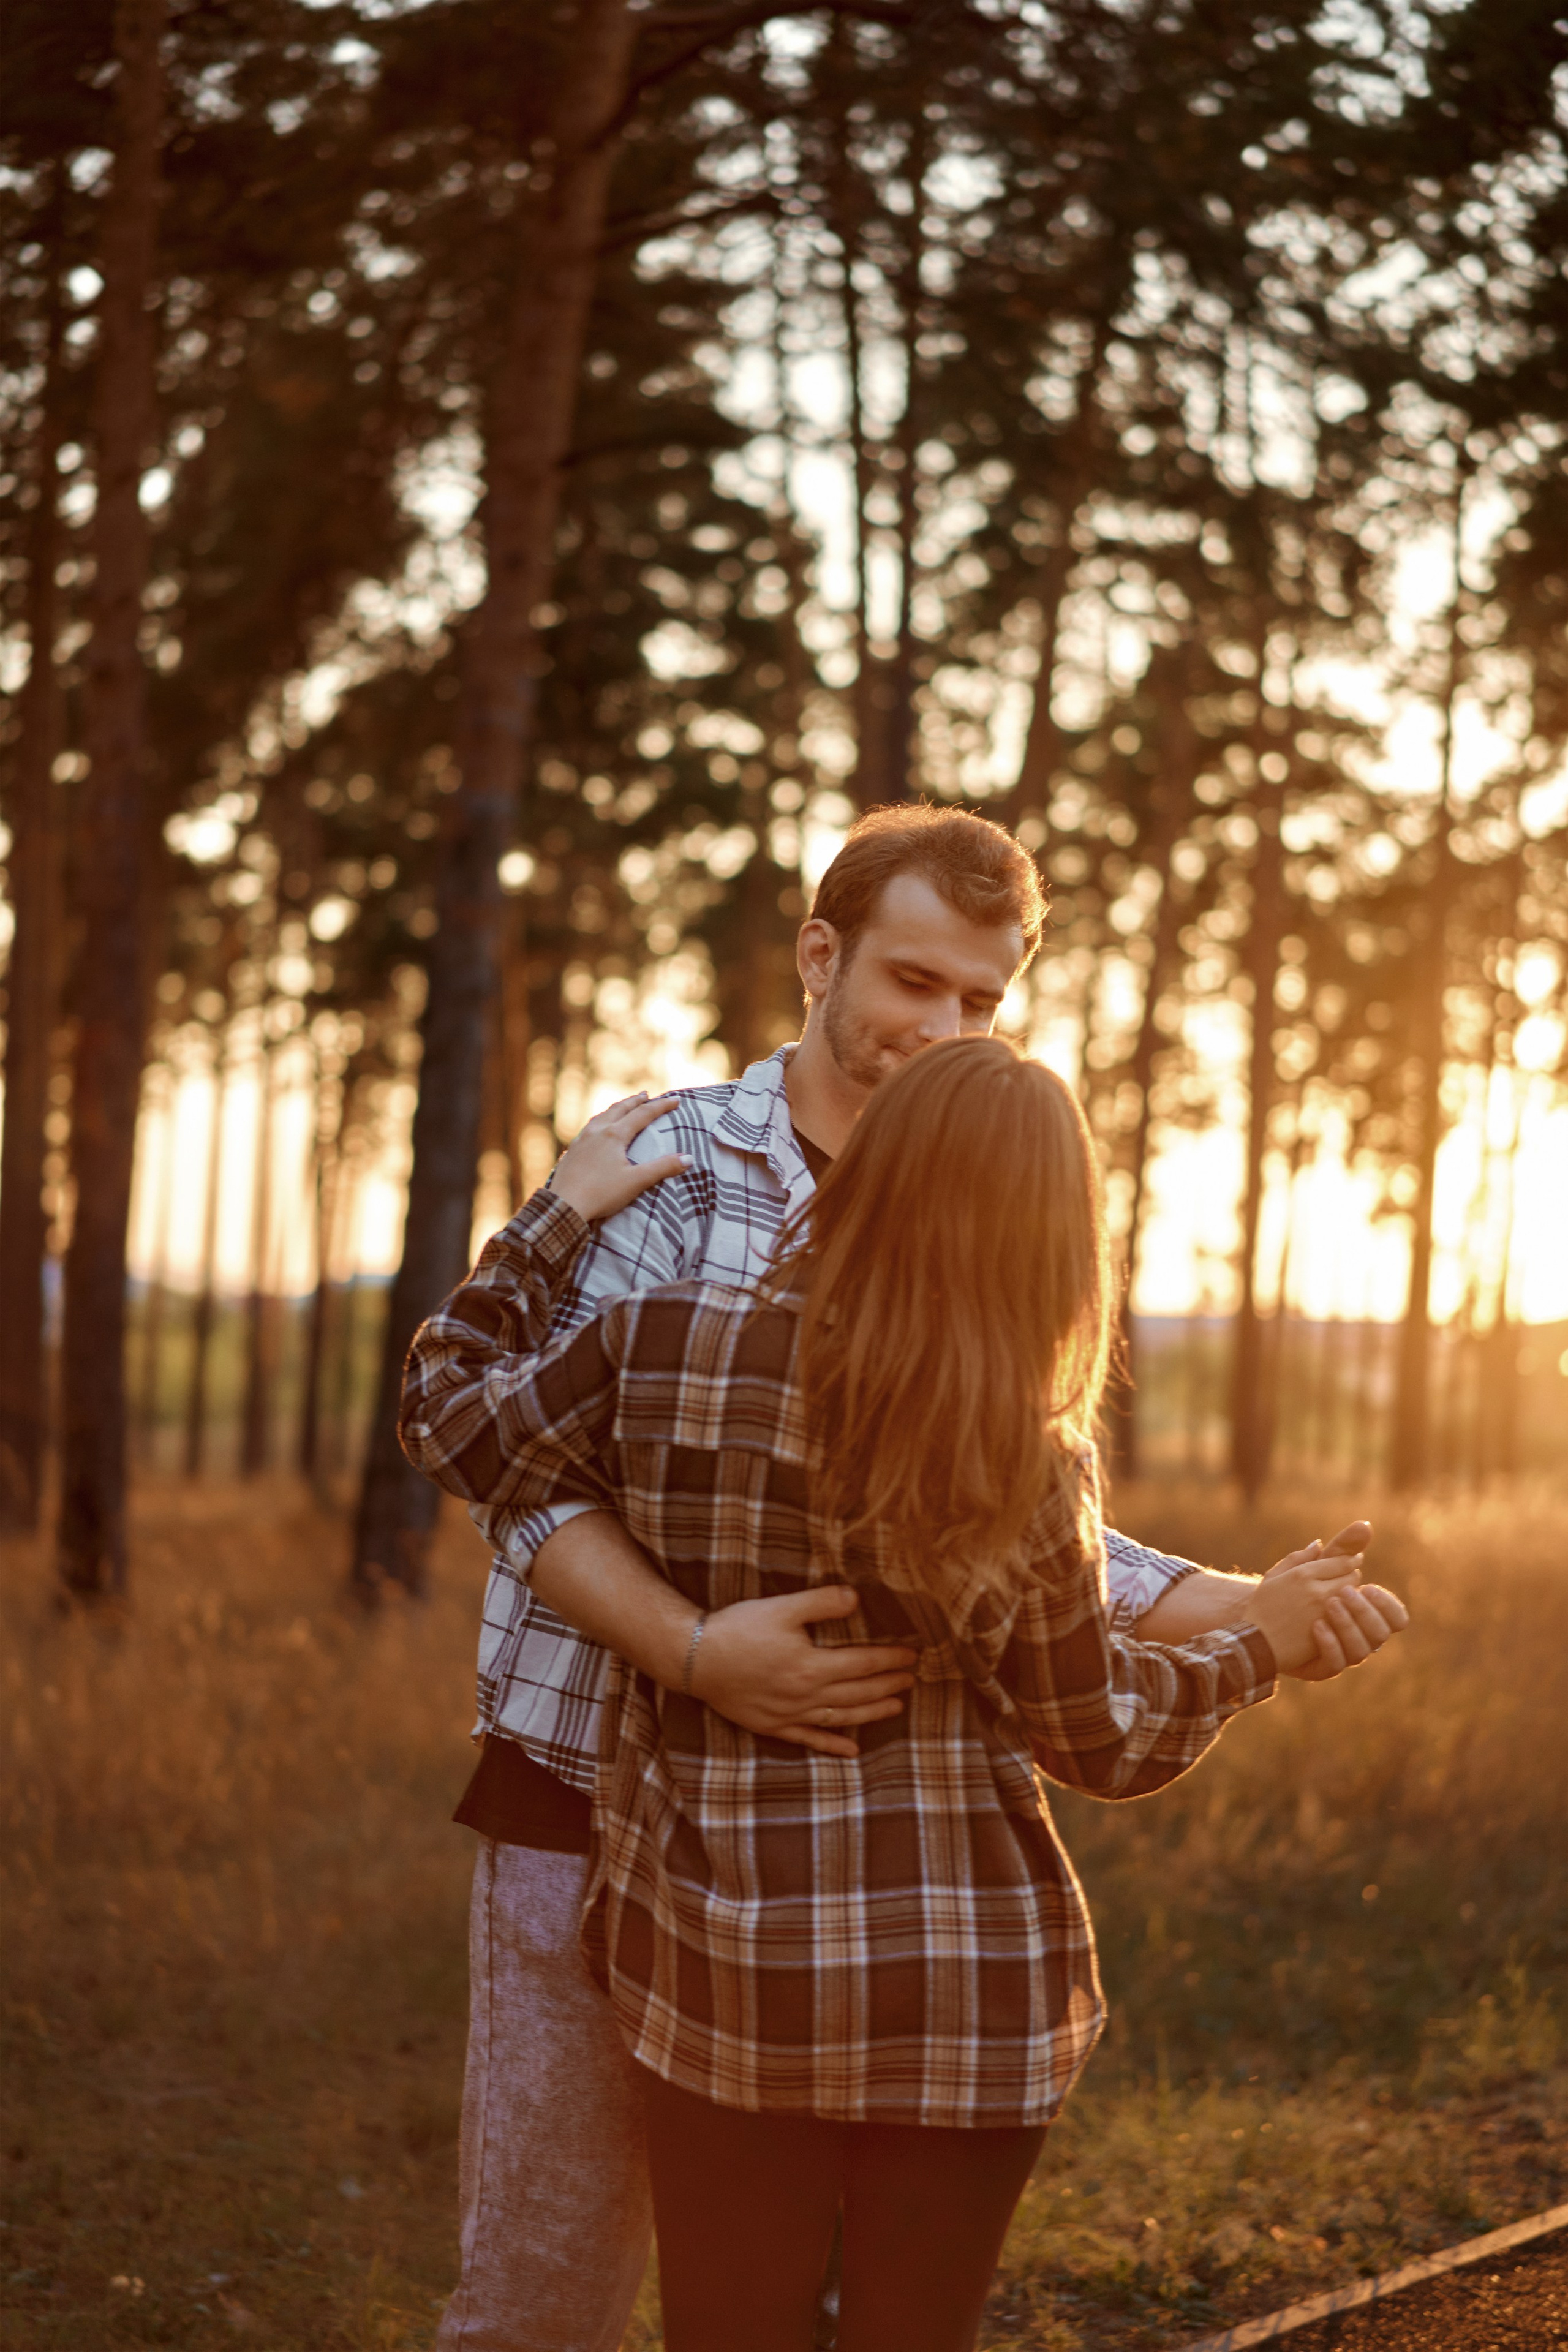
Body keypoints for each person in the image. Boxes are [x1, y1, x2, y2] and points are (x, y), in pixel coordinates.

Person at [426, 803, 1401, 2352]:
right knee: (549, 2289)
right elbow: (523, 1493)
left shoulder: (934, 1245)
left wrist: (1224, 1598)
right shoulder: (668, 1176)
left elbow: (997, 1521)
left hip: (800, 1896)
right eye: (913, 984)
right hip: (587, 1793)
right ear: (821, 957)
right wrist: (694, 1650)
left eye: (981, 1003)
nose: (942, 1031)